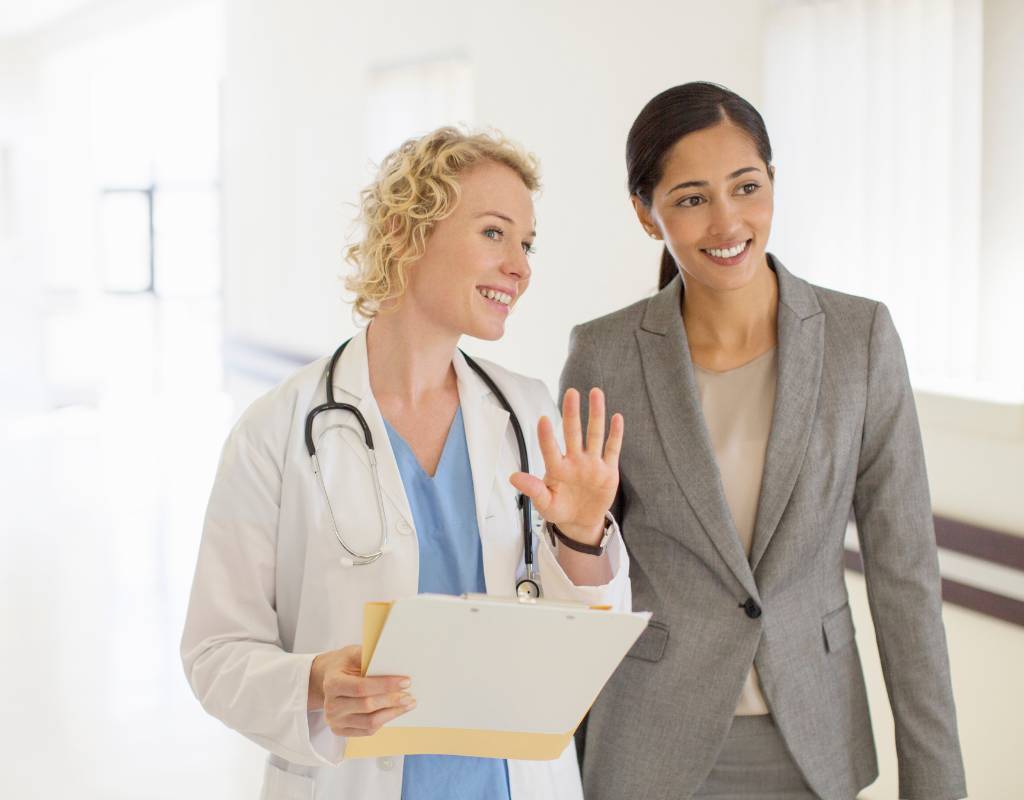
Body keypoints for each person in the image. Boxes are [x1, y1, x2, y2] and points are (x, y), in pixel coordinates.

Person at [181, 126, 630, 800]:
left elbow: (576, 637)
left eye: (527, 244)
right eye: (494, 233)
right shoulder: (276, 429)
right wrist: (314, 685)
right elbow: (215, 653)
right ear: (404, 231)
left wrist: (582, 536)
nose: (521, 266)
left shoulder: (527, 411)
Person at [567, 83, 966, 799]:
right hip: (647, 744)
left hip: (812, 742)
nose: (728, 221)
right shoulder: (604, 354)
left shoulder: (859, 339)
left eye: (746, 187)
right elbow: (574, 568)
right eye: (690, 198)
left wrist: (937, 783)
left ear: (772, 183)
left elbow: (906, 574)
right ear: (645, 214)